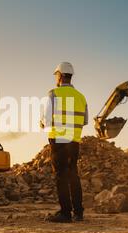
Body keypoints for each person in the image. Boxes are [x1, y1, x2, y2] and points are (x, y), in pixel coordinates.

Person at [40, 62, 88, 222]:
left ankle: (65, 213)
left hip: (59, 141)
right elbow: (85, 120)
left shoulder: (53, 94)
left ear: (60, 75)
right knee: (73, 174)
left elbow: (46, 121)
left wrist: (43, 123)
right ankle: (78, 212)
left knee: (61, 176)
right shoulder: (81, 97)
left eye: (56, 75)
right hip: (74, 141)